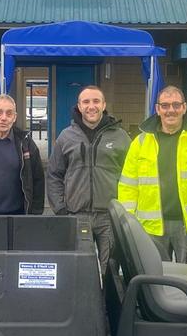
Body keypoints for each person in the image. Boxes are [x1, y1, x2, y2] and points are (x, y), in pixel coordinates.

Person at [118, 85, 187, 267]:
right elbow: (128, 187)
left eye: (176, 105)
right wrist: (128, 224)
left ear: (184, 108)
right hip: (151, 228)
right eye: (165, 105)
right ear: (157, 109)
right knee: (154, 285)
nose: (171, 110)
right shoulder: (139, 142)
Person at [47, 85, 130, 273]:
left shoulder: (121, 137)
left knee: (109, 269)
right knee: (78, 270)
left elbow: (132, 176)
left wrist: (124, 211)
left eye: (96, 101)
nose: (91, 106)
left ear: (104, 104)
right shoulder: (66, 137)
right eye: (86, 102)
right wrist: (61, 210)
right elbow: (54, 175)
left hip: (109, 218)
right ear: (79, 106)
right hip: (76, 216)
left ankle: (106, 303)